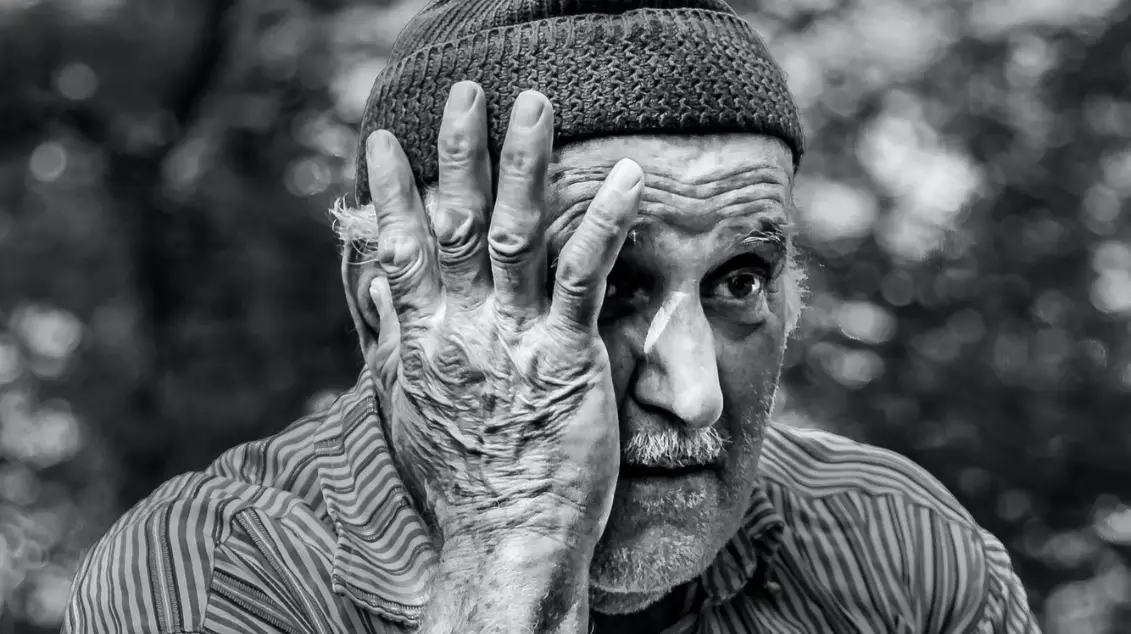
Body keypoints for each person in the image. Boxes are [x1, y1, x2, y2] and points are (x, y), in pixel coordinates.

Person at [63, 0, 1042, 632]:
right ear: (386, 311)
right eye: (603, 283)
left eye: (740, 279)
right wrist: (512, 542)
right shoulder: (217, 573)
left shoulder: (898, 546)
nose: (695, 393)